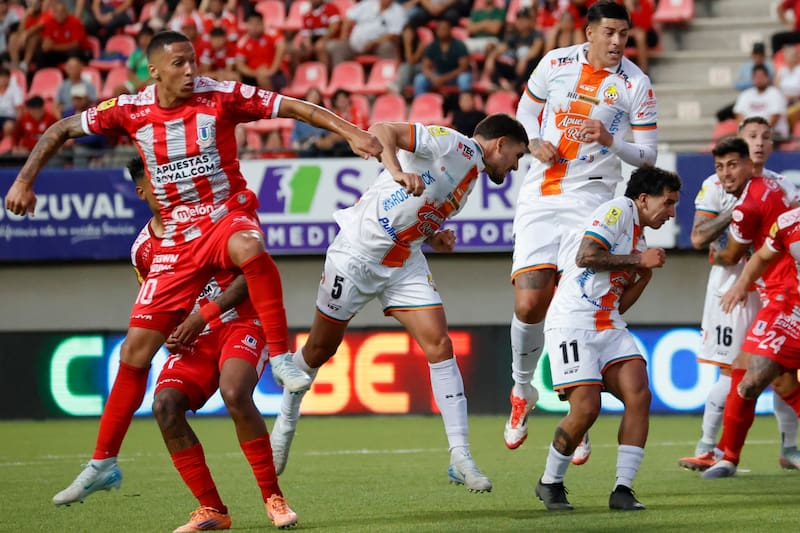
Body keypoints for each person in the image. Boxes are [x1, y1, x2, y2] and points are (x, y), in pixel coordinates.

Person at [4, 30, 382, 508]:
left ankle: (283, 360)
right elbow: (59, 130)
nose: (190, 72)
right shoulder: (129, 110)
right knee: (135, 353)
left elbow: (294, 107)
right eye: (179, 64)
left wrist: (351, 131)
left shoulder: (220, 96)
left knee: (251, 249)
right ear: (154, 70)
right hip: (178, 241)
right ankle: (103, 464)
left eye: (194, 62)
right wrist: (24, 180)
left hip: (224, 215)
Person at [269, 114, 529, 490]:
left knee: (440, 345)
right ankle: (285, 421)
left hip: (403, 262)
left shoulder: (470, 174)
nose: (516, 166)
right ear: (500, 144)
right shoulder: (452, 144)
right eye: (517, 156)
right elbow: (382, 130)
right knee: (319, 349)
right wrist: (394, 171)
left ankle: (461, 456)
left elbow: (416, 209)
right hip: (357, 255)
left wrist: (434, 235)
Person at [506, 0, 657, 455]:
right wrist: (532, 140)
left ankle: (577, 405)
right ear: (588, 31)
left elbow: (648, 155)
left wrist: (613, 140)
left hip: (591, 198)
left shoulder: (636, 83)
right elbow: (526, 110)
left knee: (571, 298)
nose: (616, 42)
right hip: (541, 192)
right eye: (608, 32)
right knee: (531, 301)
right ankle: (521, 389)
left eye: (623, 35)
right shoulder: (554, 62)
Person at [127, 157, 298, 530]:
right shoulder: (142, 250)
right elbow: (159, 301)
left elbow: (251, 277)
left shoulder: (213, 219)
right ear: (142, 192)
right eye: (157, 186)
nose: (169, 190)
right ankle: (213, 510)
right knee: (164, 406)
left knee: (234, 391)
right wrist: (168, 331)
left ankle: (273, 497)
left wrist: (197, 317)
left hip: (242, 321)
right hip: (196, 337)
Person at [534, 166, 680, 512]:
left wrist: (642, 277)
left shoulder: (640, 237)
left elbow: (619, 302)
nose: (672, 212)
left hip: (608, 323)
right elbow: (584, 256)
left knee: (639, 394)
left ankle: (623, 490)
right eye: (668, 202)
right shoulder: (616, 211)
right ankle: (550, 482)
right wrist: (637, 260)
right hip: (572, 322)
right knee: (586, 409)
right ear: (643, 199)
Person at [678, 117, 800, 472]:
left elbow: (730, 252)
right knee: (748, 373)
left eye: (764, 138)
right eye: (751, 137)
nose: (758, 143)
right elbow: (700, 240)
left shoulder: (779, 187)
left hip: (774, 292)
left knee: (755, 374)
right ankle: (714, 449)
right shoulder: (717, 186)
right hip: (737, 288)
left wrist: (734, 249)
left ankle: (760, 451)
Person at [412, 19, 472, 96]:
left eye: (444, 29)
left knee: (464, 78)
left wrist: (443, 78)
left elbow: (463, 68)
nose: (441, 31)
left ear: (450, 30)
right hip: (439, 73)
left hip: (455, 75)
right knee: (419, 79)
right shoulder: (432, 46)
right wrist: (433, 77)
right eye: (439, 29)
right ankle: (420, 103)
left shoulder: (459, 45)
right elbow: (425, 66)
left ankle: (466, 103)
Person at [733, 64, 789, 141]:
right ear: (752, 79)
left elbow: (774, 118)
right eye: (756, 77)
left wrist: (756, 133)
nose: (759, 80)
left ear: (767, 78)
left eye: (761, 77)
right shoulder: (745, 94)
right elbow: (739, 116)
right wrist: (746, 131)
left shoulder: (775, 93)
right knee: (726, 141)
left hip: (772, 133)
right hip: (749, 134)